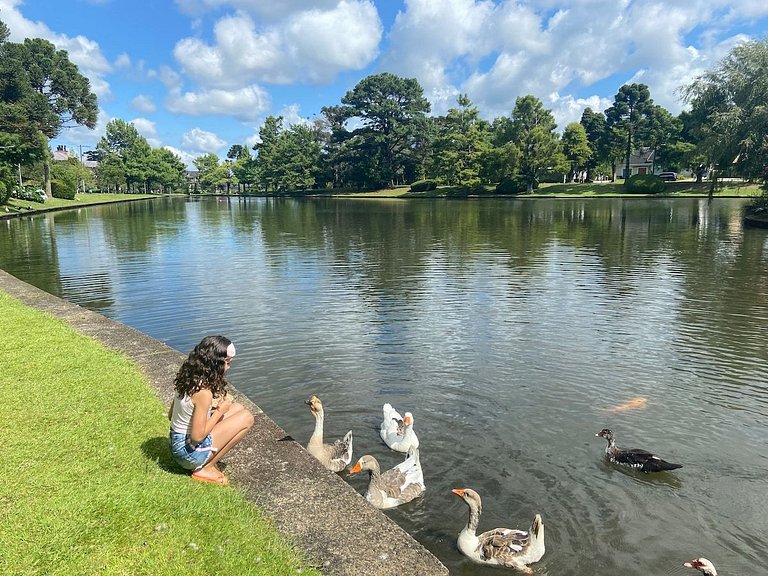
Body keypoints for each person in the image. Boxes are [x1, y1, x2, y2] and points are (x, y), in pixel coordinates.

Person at [168, 335, 254, 485]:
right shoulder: (204, 392)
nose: (229, 367)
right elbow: (197, 437)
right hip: (187, 454)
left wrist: (210, 410)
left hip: (176, 443)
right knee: (247, 417)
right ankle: (205, 467)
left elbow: (171, 415)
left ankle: (206, 462)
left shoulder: (187, 378)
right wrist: (220, 411)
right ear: (215, 363)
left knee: (237, 408)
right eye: (227, 362)